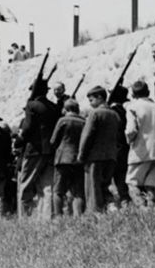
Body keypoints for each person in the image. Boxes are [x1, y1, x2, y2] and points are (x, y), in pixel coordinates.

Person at [19, 76, 61, 220]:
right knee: (47, 186)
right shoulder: (53, 107)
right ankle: (47, 217)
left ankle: (24, 217)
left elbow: (27, 128)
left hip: (34, 150)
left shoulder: (31, 105)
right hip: (50, 150)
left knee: (25, 184)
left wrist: (19, 139)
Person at [124, 81, 155, 207]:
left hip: (140, 149)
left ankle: (142, 208)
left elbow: (131, 130)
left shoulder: (132, 107)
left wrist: (129, 140)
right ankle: (152, 209)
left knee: (132, 182)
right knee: (151, 184)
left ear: (132, 94)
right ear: (148, 92)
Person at [77, 85, 121, 213]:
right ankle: (112, 209)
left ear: (100, 98)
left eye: (91, 100)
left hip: (95, 157)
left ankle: (95, 214)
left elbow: (87, 135)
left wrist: (81, 155)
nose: (90, 103)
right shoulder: (115, 115)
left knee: (93, 189)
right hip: (111, 156)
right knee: (106, 186)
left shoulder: (95, 113)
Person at [50, 99, 85, 216]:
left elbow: (53, 141)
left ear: (66, 109)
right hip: (78, 159)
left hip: (62, 159)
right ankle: (78, 216)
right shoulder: (83, 121)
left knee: (58, 191)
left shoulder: (62, 120)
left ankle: (58, 217)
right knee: (78, 192)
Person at [109, 85, 131, 206]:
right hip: (124, 147)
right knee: (121, 177)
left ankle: (116, 202)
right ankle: (124, 200)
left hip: (113, 148)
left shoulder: (112, 112)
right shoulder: (126, 111)